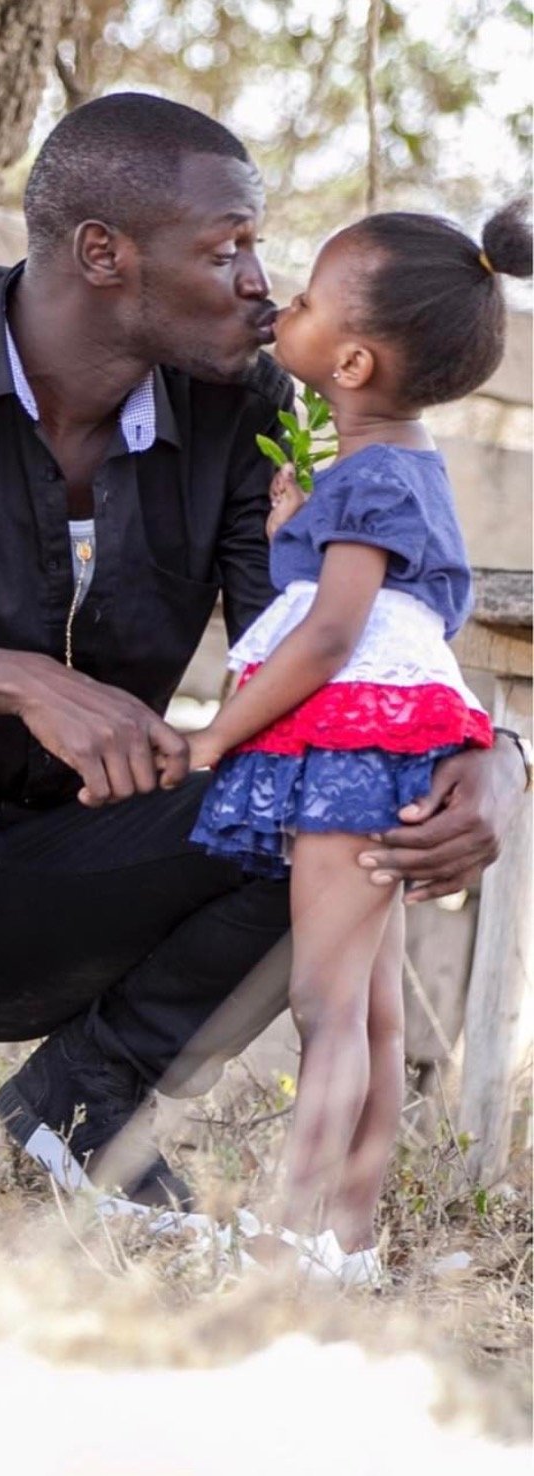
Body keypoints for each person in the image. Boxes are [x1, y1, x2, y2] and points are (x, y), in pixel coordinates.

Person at [0, 93, 527, 1210]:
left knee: (330, 793)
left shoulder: (247, 412)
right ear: (104, 253)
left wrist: (492, 757)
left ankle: (82, 1110)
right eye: (228, 246)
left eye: (260, 246)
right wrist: (22, 679)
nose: (258, 280)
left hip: (98, 877)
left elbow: (331, 657)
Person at [178, 200, 532, 1281]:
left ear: (353, 357)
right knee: (369, 1014)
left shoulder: (376, 477)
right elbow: (350, 601)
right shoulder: (387, 470)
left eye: (300, 304)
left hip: (350, 758)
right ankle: (350, 1239)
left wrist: (211, 736)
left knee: (326, 1007)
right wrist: (297, 527)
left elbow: (332, 635)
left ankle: (294, 1236)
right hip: (381, 751)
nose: (278, 311)